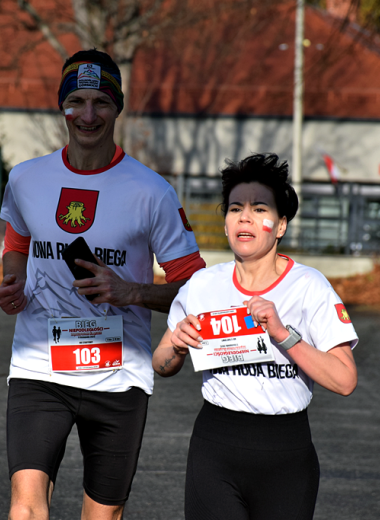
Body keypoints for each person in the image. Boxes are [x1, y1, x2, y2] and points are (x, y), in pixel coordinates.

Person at [0, 49, 206, 520]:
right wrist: (14, 283)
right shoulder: (26, 178)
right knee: (24, 508)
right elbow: (18, 239)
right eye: (77, 101)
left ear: (118, 107)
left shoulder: (151, 191)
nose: (88, 115)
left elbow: (197, 288)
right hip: (38, 367)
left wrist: (130, 291)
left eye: (101, 103)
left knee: (103, 516)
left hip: (118, 374)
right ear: (62, 106)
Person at [152, 153, 358, 519]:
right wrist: (178, 346)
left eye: (259, 208)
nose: (244, 217)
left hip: (286, 454)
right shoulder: (203, 285)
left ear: (280, 226)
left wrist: (283, 334)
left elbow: (344, 380)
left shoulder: (309, 287)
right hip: (215, 446)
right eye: (235, 208)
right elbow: (161, 363)